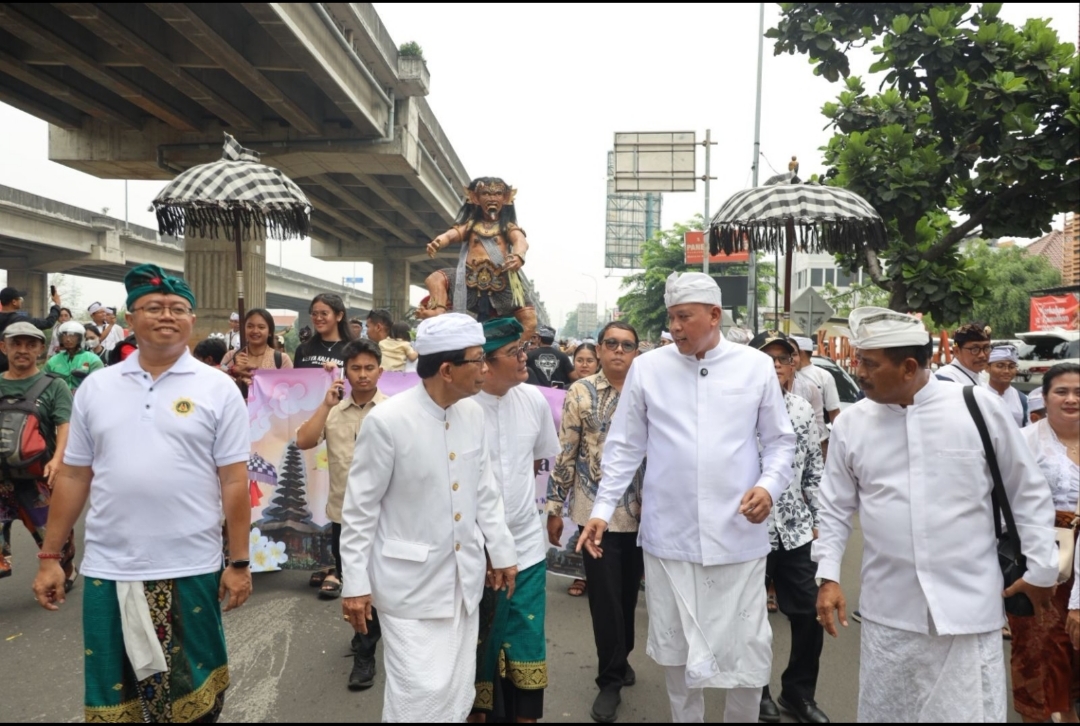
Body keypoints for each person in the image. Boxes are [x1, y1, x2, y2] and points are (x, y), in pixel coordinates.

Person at [813, 306, 1059, 722]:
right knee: (890, 712)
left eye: (869, 364)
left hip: (968, 608)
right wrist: (829, 575)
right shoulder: (852, 424)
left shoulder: (976, 406)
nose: (859, 372)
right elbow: (835, 506)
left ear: (909, 366)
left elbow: (1026, 490)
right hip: (890, 612)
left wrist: (1040, 569)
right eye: (859, 361)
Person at [31, 264, 252, 723]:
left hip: (192, 563)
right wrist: (51, 556)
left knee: (196, 700)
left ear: (192, 320)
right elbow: (74, 476)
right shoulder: (97, 387)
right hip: (111, 567)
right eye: (153, 307)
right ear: (130, 320)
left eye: (178, 308)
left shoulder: (219, 389)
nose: (166, 315)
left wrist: (239, 563)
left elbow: (233, 481)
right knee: (117, 700)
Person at [579, 272, 796, 723]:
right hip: (669, 538)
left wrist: (768, 487)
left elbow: (780, 443)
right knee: (677, 651)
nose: (675, 327)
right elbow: (624, 446)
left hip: (738, 536)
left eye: (685, 317)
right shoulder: (649, 368)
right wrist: (602, 510)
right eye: (671, 318)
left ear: (714, 316)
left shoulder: (753, 366)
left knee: (747, 652)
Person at [339, 313, 518, 722]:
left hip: (462, 581)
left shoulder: (472, 414)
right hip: (408, 587)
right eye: (478, 360)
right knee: (419, 692)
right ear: (447, 368)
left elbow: (484, 489)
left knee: (455, 689)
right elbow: (360, 510)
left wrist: (502, 552)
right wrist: (355, 584)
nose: (485, 369)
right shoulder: (387, 422)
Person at [548, 322, 644, 723]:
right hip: (594, 519)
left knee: (627, 597)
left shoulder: (649, 391)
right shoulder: (581, 392)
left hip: (644, 516)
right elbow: (566, 451)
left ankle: (622, 657)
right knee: (604, 600)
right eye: (611, 344)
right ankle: (609, 679)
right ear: (599, 350)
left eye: (627, 345)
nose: (618, 351)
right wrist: (555, 506)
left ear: (637, 352)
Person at [471, 317, 560, 722]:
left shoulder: (534, 401)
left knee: (526, 640)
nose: (525, 356)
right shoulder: (460, 408)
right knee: (478, 645)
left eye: (522, 348)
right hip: (474, 551)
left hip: (526, 547)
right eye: (514, 352)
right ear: (485, 365)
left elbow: (541, 457)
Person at [296, 339, 388, 691]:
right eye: (355, 368)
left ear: (381, 370)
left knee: (379, 585)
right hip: (343, 517)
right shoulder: (333, 410)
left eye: (369, 367)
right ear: (345, 371)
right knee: (355, 584)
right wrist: (325, 405)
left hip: (385, 518)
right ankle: (365, 640)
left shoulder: (393, 411)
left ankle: (366, 650)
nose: (362, 375)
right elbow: (304, 441)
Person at [748, 331, 829, 724]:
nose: (777, 364)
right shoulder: (737, 407)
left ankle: (798, 693)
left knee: (808, 613)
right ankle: (756, 692)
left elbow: (814, 468)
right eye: (769, 357)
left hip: (796, 529)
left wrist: (819, 521)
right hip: (749, 529)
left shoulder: (800, 408)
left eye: (784, 357)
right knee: (751, 617)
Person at [1010, 362, 1079, 723]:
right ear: (1045, 397)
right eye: (1062, 391)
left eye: (1079, 392)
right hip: (1038, 557)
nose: (1071, 399)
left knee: (1071, 652)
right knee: (1037, 653)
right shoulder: (1023, 441)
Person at [0, 322, 75, 587]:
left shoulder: (54, 386)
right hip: (1, 476)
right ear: (3, 347)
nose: (23, 350)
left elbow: (64, 424)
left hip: (39, 473)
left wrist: (58, 460)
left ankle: (63, 570)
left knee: (55, 539)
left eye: (30, 345)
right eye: (16, 344)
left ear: (41, 349)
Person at [421, 177, 538, 340]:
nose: (491, 198)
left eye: (497, 193)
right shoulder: (470, 226)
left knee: (530, 321)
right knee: (435, 278)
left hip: (502, 278)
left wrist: (519, 256)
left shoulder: (507, 227)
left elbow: (521, 241)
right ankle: (438, 309)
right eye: (486, 194)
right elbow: (450, 235)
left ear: (505, 199)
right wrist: (438, 242)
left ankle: (514, 352)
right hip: (468, 279)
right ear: (475, 198)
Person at [221, 308, 293, 388]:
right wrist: (233, 370)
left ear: (269, 332)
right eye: (250, 326)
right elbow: (221, 368)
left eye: (261, 327)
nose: (255, 331)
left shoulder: (282, 359)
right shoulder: (232, 355)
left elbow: (289, 390)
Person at [0, 286, 62, 372]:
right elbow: (48, 322)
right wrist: (57, 305)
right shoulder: (20, 320)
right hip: (11, 366)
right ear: (14, 302)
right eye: (20, 299)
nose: (21, 301)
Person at [293, 293, 352, 370]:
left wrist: (338, 373)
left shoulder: (353, 350)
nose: (318, 318)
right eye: (314, 314)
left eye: (324, 313)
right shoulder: (302, 349)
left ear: (339, 316)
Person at [44, 321, 104, 392]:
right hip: (58, 400)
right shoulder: (53, 361)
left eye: (72, 336)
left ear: (80, 338)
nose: (68, 339)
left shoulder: (93, 359)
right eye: (64, 335)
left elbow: (99, 384)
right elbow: (42, 383)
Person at [935, 321, 992, 386]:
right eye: (975, 349)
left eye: (986, 348)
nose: (982, 355)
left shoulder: (982, 377)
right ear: (956, 351)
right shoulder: (946, 379)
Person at [987, 344, 1027, 428]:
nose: (1006, 371)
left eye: (1011, 366)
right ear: (987, 368)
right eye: (1000, 366)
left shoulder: (1023, 400)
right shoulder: (977, 395)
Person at [527, 325, 574, 389]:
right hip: (558, 394)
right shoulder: (563, 356)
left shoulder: (530, 355)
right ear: (552, 340)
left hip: (537, 394)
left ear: (539, 339)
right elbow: (573, 376)